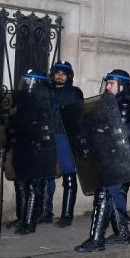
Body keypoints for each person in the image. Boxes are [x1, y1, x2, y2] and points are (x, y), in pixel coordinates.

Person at [74, 70, 130, 252]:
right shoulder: (111, 103)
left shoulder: (124, 104)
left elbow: (120, 134)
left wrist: (99, 131)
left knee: (103, 195)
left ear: (122, 86)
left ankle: (96, 239)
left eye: (111, 84)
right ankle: (122, 233)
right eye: (107, 83)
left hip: (118, 159)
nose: (107, 87)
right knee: (115, 196)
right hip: (111, 158)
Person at [12, 69, 53, 235]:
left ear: (37, 82)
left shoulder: (43, 99)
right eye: (26, 80)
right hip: (23, 147)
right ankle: (22, 218)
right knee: (21, 183)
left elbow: (43, 128)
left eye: (29, 80)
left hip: (36, 150)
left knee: (32, 185)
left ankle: (29, 222)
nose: (26, 83)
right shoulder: (25, 100)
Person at [49, 61, 84, 227]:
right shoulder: (46, 91)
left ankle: (67, 215)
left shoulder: (74, 93)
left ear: (69, 76)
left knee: (69, 175)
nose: (59, 75)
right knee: (46, 174)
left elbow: (79, 116)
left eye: (63, 73)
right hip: (47, 135)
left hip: (64, 136)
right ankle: (44, 213)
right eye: (57, 72)